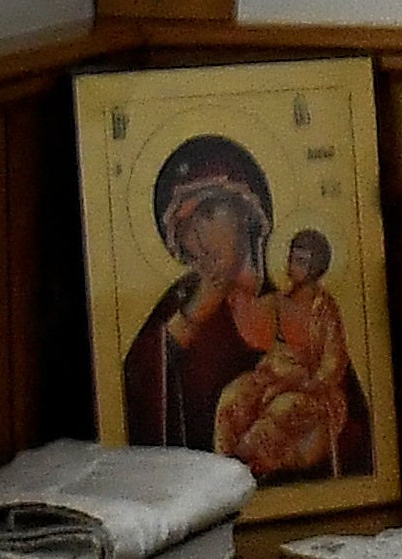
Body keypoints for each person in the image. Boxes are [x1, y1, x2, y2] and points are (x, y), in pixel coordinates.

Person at [114, 137, 280, 451]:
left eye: (209, 213)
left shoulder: (296, 303)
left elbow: (350, 436)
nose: (200, 238)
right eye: (186, 227)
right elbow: (137, 386)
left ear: (246, 209)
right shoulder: (178, 306)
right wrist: (190, 318)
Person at [214, 234, 364, 480]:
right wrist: (237, 298)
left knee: (284, 407)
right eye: (292, 258)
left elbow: (333, 362)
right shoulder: (279, 301)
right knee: (233, 396)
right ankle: (221, 465)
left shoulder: (324, 310)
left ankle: (240, 467)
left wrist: (301, 384)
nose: (293, 265)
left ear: (316, 266)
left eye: (302, 260)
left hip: (312, 390)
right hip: (270, 377)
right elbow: (254, 331)